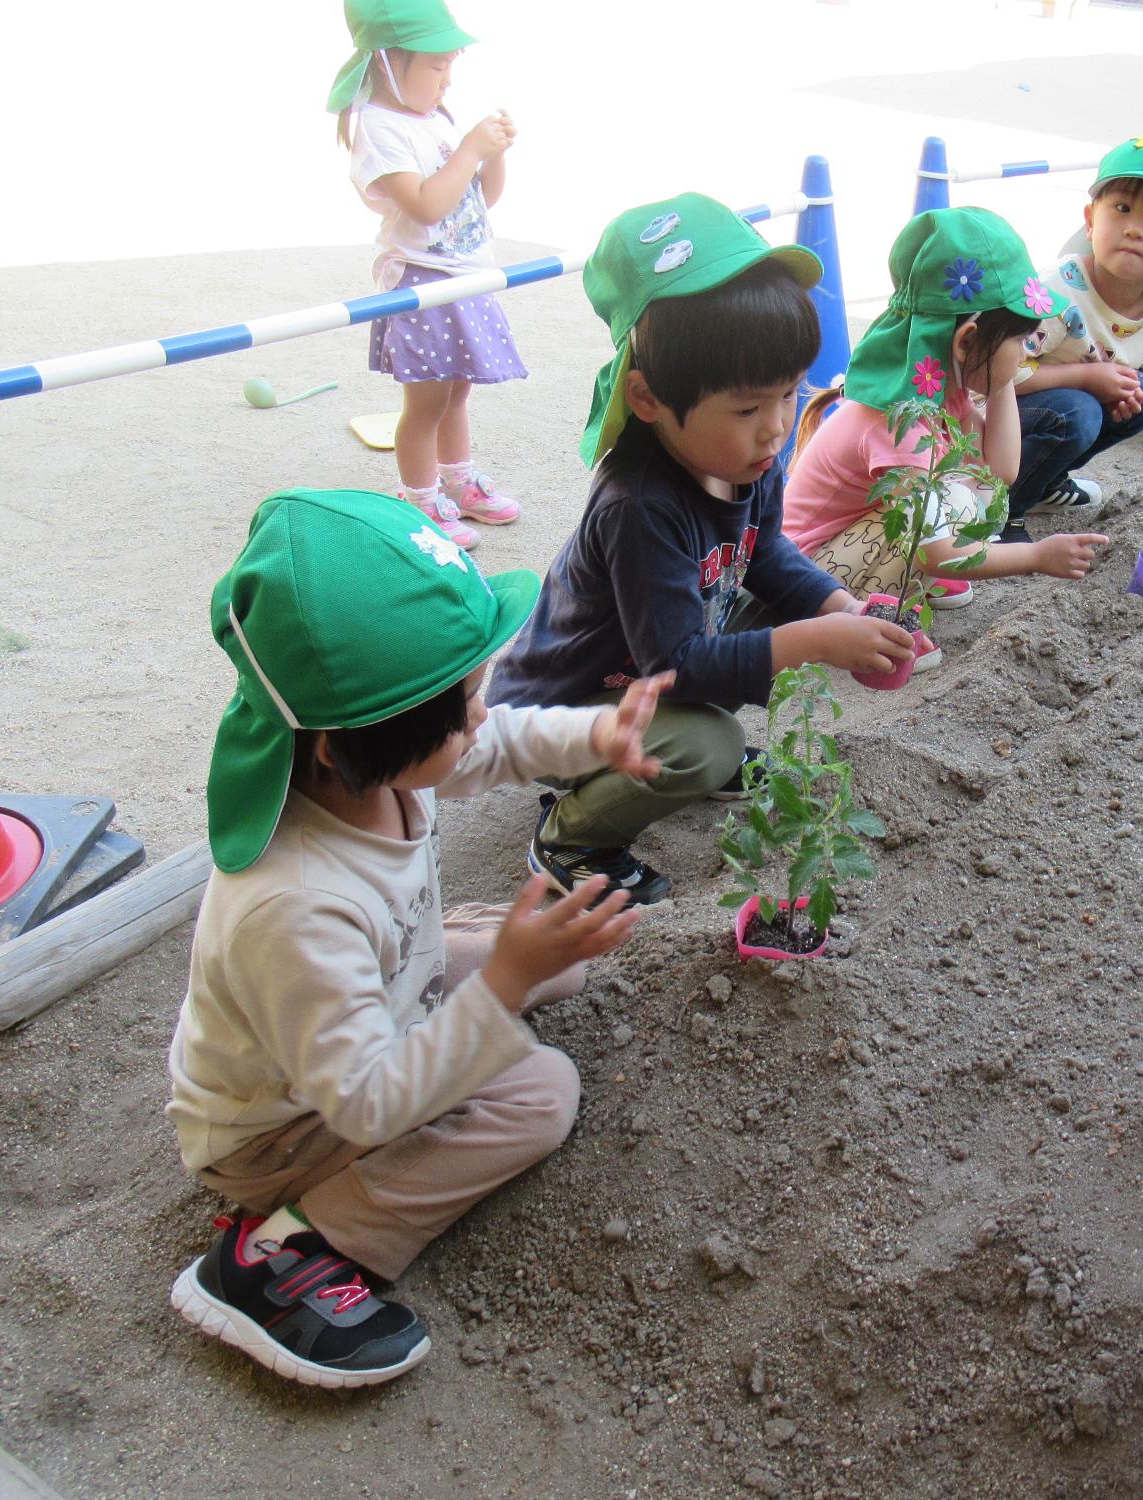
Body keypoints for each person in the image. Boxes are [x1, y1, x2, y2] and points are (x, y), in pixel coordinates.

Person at [167, 488, 663, 1387]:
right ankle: (283, 1255)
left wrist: (600, 732)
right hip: (280, 1130)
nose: (482, 710)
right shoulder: (295, 904)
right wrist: (503, 983)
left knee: (561, 969)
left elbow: (496, 743)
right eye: (462, 699)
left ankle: (476, 967)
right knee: (539, 1089)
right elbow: (364, 1104)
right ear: (344, 744)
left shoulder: (375, 760)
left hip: (368, 994)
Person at [486, 195, 914, 906]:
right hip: (556, 710)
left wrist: (844, 606)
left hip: (645, 665)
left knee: (753, 605)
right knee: (706, 743)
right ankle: (573, 834)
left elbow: (764, 554)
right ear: (648, 398)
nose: (777, 429)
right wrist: (814, 641)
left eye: (790, 393)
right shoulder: (639, 507)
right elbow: (676, 666)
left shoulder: (747, 457)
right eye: (748, 407)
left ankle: (665, 759)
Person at [783, 208, 1107, 617]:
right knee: (955, 503)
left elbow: (999, 473)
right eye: (1022, 339)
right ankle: (878, 615)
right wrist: (1035, 556)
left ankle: (903, 585)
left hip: (841, 547)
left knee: (982, 496)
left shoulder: (939, 391)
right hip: (803, 579)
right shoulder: (899, 425)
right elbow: (933, 549)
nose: (1028, 351)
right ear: (965, 341)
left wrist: (1001, 376)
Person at [331, 0, 525, 549]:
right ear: (390, 64)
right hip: (421, 281)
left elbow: (477, 200)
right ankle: (420, 499)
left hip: (463, 274)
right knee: (426, 403)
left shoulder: (434, 119)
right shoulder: (377, 126)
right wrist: (468, 149)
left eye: (450, 67)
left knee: (457, 391)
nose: (447, 80)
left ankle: (457, 479)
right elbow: (424, 205)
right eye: (435, 67)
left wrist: (493, 157)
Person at [1009, 135, 1143, 542]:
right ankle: (1003, 507)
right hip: (986, 414)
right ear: (1090, 220)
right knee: (1078, 412)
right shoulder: (1059, 290)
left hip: (1044, 408)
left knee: (1137, 399)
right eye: (1121, 209)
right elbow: (996, 376)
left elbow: (1111, 368)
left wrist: (1114, 389)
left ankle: (1044, 481)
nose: (1134, 229)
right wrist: (1087, 379)